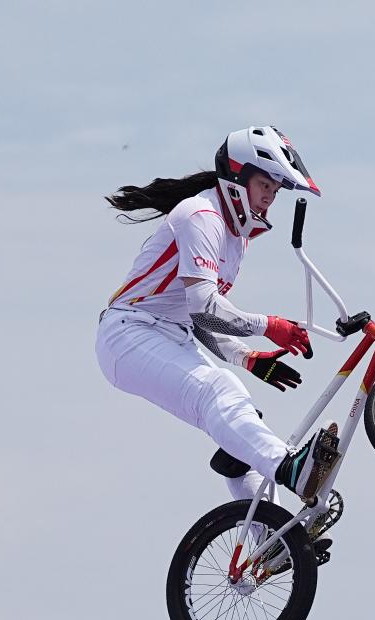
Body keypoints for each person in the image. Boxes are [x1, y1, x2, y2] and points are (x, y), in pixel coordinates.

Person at [96, 125, 339, 513]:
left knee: (242, 422)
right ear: (238, 177)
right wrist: (269, 325)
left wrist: (247, 358)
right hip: (128, 334)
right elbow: (204, 308)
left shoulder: (236, 237)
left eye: (275, 191)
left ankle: (273, 533)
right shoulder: (201, 216)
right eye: (264, 185)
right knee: (219, 391)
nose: (269, 198)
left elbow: (197, 319)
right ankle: (291, 469)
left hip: (172, 335)